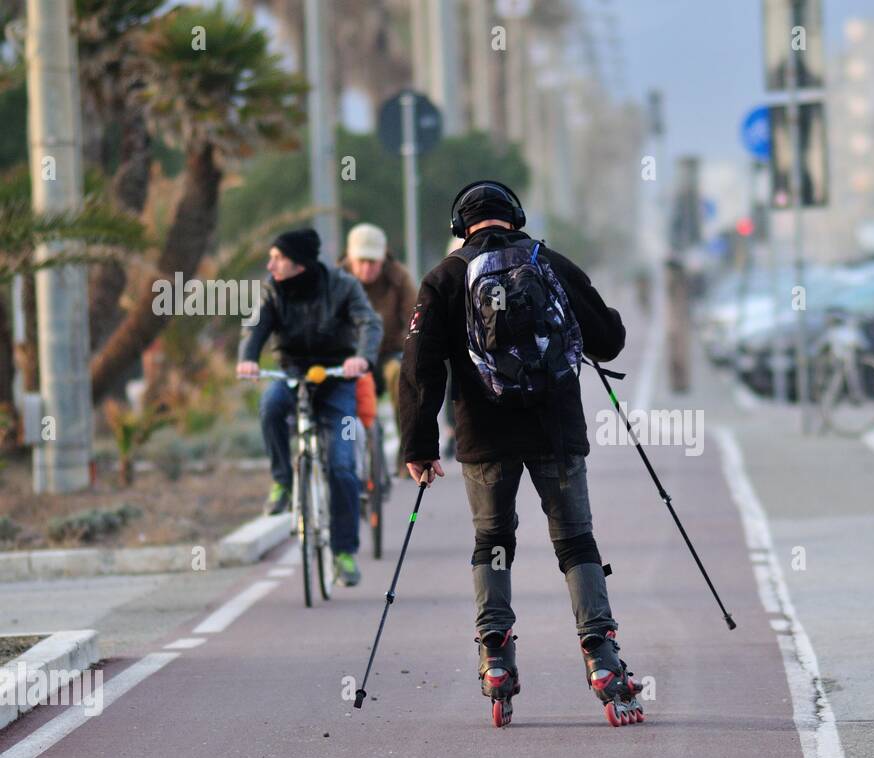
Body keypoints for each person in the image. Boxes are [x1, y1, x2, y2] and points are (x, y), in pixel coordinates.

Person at [399, 180, 642, 727]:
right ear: (515, 217)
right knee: (576, 540)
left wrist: (418, 445)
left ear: (461, 226)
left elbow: (419, 366)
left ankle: (495, 658)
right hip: (554, 427)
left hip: (483, 436)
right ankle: (602, 659)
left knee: (493, 540)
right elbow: (609, 339)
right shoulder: (547, 261)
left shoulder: (444, 278)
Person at [236, 228, 382, 587]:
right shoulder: (271, 290)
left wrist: (361, 359)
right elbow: (254, 329)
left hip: (337, 382)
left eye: (278, 258)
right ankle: (283, 483)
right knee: (270, 405)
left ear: (298, 264)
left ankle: (343, 553)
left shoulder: (343, 286)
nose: (270, 264)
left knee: (343, 467)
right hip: (290, 375)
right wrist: (248, 359)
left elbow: (369, 323)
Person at [339, 223, 417, 470]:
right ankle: (345, 457)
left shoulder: (398, 278)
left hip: (387, 355)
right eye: (361, 261)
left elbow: (416, 318)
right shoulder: (336, 280)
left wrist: (410, 347)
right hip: (350, 359)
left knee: (401, 375)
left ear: (383, 258)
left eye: (373, 261)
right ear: (350, 258)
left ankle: (408, 454)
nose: (367, 268)